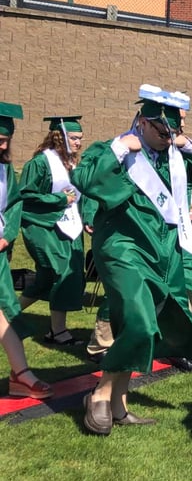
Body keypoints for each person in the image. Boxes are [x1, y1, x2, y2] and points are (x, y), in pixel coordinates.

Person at [72, 84, 192, 434]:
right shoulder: (121, 150)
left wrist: (187, 144)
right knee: (140, 323)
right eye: (163, 131)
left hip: (160, 253)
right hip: (123, 249)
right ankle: (98, 394)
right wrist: (118, 148)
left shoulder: (173, 156)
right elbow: (83, 177)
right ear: (142, 121)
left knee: (138, 327)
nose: (168, 138)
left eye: (174, 132)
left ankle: (118, 404)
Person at [17, 115, 87, 347]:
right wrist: (59, 198)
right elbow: (25, 196)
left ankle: (7, 315)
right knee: (60, 273)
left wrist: (89, 218)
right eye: (74, 138)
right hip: (44, 225)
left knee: (49, 278)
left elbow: (82, 195)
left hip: (71, 226)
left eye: (80, 138)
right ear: (59, 137)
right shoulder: (39, 163)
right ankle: (58, 332)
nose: (78, 143)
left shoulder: (74, 164)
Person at [0, 103, 52, 400]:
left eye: (6, 140)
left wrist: (7, 235)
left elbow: (15, 203)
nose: (4, 145)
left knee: (5, 308)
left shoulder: (5, 168)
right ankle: (22, 375)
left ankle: (21, 375)